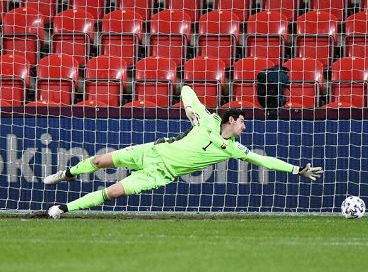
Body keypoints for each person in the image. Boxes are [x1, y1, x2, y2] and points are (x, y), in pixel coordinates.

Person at [37, 86, 323, 219]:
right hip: (152, 150)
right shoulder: (209, 120)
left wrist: (296, 169)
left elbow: (264, 160)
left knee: (112, 192)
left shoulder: (234, 149)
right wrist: (191, 112)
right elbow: (186, 89)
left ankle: (64, 208)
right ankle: (69, 173)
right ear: (231, 120)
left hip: (160, 173)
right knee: (100, 160)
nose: (245, 126)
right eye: (242, 122)